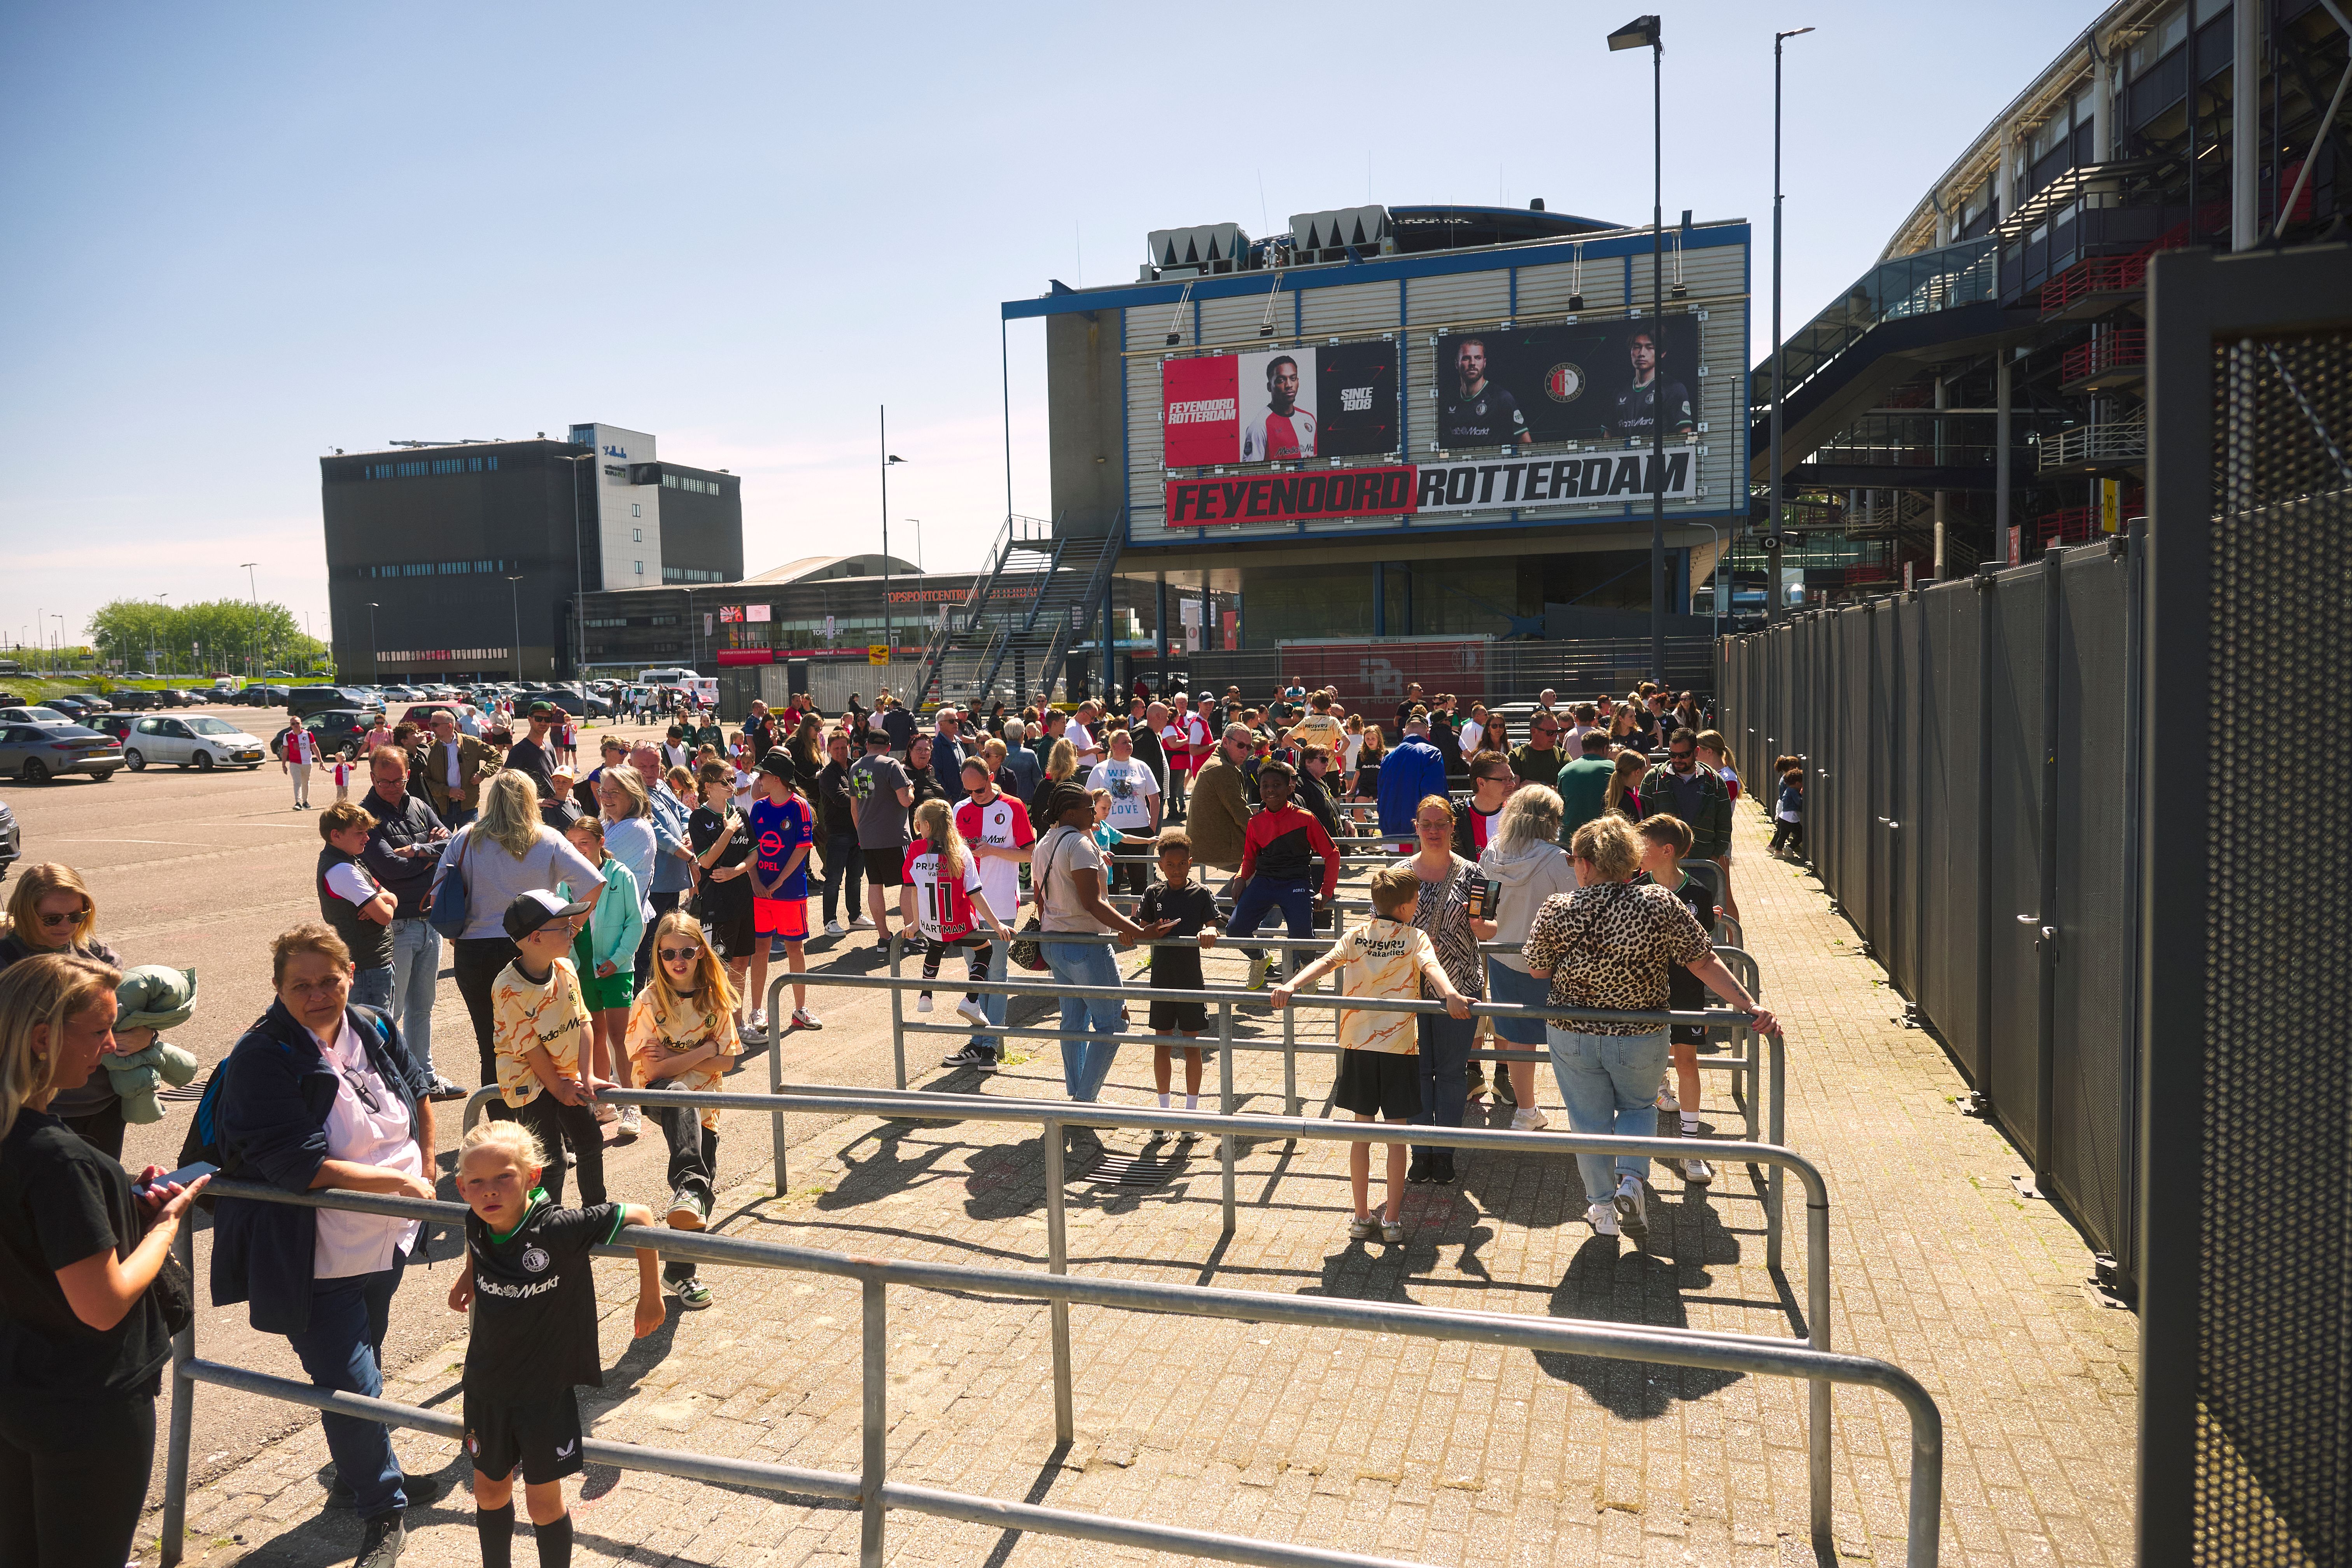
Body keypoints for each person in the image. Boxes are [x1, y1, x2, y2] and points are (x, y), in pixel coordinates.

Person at [212, 924, 445, 1563]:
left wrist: (426, 1163)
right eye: (301, 985)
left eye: (329, 980)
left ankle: (353, 1476)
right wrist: (399, 1181)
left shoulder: (370, 1024)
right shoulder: (262, 1057)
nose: (317, 995)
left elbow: (418, 1092)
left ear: (349, 973)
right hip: (315, 1253)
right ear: (278, 989)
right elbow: (298, 1166)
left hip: (387, 1235)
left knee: (363, 1359)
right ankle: (382, 1507)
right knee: (351, 1382)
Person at [0, 953, 207, 1568]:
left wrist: (117, 1206)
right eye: (99, 1031)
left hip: (17, 1387)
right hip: (86, 1404)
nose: (113, 1046)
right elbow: (104, 1303)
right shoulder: (58, 1159)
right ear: (43, 1039)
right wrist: (165, 1226)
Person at [1521, 817, 1775, 1244]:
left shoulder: (1559, 908)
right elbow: (1703, 960)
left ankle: (1602, 1208)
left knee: (1589, 1123)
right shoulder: (1659, 902)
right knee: (1640, 1108)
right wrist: (1748, 1004)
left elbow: (1537, 968)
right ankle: (1631, 1184)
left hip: (1573, 1034)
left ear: (1584, 864)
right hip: (1640, 1031)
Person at [446, 1120, 662, 1568]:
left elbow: (641, 1215)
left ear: (532, 1177)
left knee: (543, 1502)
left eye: (504, 1177)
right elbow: (476, 1241)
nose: (491, 1192)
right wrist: (470, 1274)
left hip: (544, 1392)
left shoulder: (560, 1228)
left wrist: (650, 1296)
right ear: (462, 1188)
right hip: (486, 1384)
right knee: (489, 1491)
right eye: (478, 1183)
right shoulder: (474, 1219)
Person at [1271, 864, 1472, 1244]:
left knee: (1361, 1133)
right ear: (1408, 905)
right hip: (1399, 1050)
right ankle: (1392, 1220)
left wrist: (1292, 984)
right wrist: (1450, 996)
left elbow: (1325, 962)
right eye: (1415, 901)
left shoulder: (1356, 936)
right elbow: (1434, 970)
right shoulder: (1416, 937)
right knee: (1397, 1137)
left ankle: (1362, 1216)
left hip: (1359, 1047)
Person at [434, 770, 607, 1100]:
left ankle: (507, 1127)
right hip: (535, 948)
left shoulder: (466, 838)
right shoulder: (548, 838)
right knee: (554, 1039)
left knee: (494, 1044)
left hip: (476, 950)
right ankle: (558, 1127)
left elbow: (438, 892)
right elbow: (595, 883)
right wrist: (572, 926)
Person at [1032, 782, 1172, 1116]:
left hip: (1055, 943)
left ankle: (1078, 1098)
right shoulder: (1079, 845)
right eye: (1087, 809)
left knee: (1074, 1023)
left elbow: (1041, 900)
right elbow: (1092, 902)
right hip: (1085, 945)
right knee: (1113, 1023)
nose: (1094, 815)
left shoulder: (1044, 844)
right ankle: (1084, 1104)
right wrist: (1139, 931)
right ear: (1070, 813)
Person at [626, 909, 740, 1307]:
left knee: (701, 1189)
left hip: (705, 1103)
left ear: (701, 953)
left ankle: (678, 1273)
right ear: (657, 955)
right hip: (661, 1094)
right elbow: (654, 1068)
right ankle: (689, 1188)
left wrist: (684, 1053)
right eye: (667, 952)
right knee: (678, 1094)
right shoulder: (649, 1001)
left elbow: (728, 1061)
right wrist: (705, 1049)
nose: (677, 960)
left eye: (687, 952)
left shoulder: (716, 996)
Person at [0, 865, 145, 1157]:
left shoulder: (99, 956)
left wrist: (147, 1036)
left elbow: (120, 1020)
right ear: (25, 913)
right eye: (52, 919)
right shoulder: (8, 965)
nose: (66, 926)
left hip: (104, 1103)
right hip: (34, 1108)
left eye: (76, 916)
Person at [491, 889, 609, 1207]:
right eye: (565, 927)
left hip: (566, 1075)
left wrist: (588, 1075)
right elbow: (529, 1048)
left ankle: (595, 1215)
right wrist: (557, 1087)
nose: (575, 931)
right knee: (551, 1162)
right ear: (535, 938)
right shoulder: (508, 988)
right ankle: (546, 1228)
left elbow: (583, 1021)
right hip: (529, 1081)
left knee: (590, 1142)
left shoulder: (565, 968)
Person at [357, 747, 463, 1098]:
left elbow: (451, 847)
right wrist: (428, 851)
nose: (391, 787)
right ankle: (390, 1082)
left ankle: (425, 1077)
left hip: (429, 922)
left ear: (408, 776)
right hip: (396, 928)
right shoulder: (366, 816)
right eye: (384, 781)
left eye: (398, 780)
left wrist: (416, 850)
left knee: (423, 1006)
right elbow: (388, 868)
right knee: (393, 1010)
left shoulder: (418, 804)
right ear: (372, 777)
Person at [1398, 794, 1491, 1183]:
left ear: (1454, 827)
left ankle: (1445, 1153)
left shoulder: (1476, 874)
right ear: (1416, 827)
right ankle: (1420, 1153)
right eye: (1426, 824)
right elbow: (1380, 927)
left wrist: (1480, 927)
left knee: (1452, 1074)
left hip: (1461, 987)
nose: (1434, 831)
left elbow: (1489, 927)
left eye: (1441, 824)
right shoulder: (1399, 875)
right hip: (1410, 989)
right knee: (1418, 1073)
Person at [1479, 785, 1575, 1132]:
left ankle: (1526, 1111)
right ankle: (1582, 1112)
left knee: (1519, 1037)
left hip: (1502, 956)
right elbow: (1575, 907)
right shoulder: (1557, 860)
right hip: (1549, 963)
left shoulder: (1491, 852)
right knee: (1568, 1037)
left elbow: (1482, 905)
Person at [1635, 813, 1718, 1184]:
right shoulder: (1634, 889)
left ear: (1666, 851)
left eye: (1644, 846)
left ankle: (1690, 1148)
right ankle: (1632, 1157)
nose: (1637, 853)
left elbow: (1704, 951)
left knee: (1687, 1061)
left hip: (1686, 994)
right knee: (1641, 1066)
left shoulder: (1700, 893)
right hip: (1642, 994)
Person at [943, 757, 1034, 1071]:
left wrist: (993, 850)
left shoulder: (1013, 807)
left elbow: (1030, 852)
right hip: (967, 908)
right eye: (969, 791)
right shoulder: (959, 809)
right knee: (976, 974)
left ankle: (991, 1045)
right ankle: (978, 1042)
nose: (975, 796)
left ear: (991, 778)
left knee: (997, 973)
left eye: (980, 790)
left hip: (1000, 905)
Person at [559, 815, 643, 1143]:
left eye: (585, 843)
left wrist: (617, 959)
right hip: (581, 968)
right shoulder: (564, 881)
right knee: (594, 1034)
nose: (578, 851)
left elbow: (635, 924)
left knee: (620, 1038)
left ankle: (632, 1105)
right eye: (572, 845)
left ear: (600, 844)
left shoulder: (620, 876)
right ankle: (605, 1102)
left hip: (616, 968)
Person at [903, 798, 1013, 1040]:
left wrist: (915, 923)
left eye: (919, 824)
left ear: (928, 827)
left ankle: (926, 995)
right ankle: (971, 1000)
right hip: (960, 924)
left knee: (936, 944)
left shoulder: (914, 850)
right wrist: (996, 925)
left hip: (931, 925)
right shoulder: (962, 852)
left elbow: (913, 890)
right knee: (985, 952)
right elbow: (975, 894)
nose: (918, 828)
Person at [1228, 760, 1341, 992]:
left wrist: (1325, 892)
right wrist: (1241, 878)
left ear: (1290, 788)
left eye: (1277, 785)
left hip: (1296, 882)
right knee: (1235, 930)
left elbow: (1332, 854)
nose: (1270, 790)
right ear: (1259, 789)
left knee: (1302, 935)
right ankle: (1260, 958)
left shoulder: (1306, 818)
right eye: (1265, 785)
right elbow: (1249, 859)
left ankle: (1308, 969)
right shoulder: (1255, 821)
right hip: (1264, 881)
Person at [1136, 830, 1219, 1116]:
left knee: (1191, 1044)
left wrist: (1209, 929)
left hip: (1190, 979)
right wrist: (1140, 933)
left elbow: (1213, 923)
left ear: (1190, 863)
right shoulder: (1152, 893)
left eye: (1181, 864)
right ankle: (1164, 1110)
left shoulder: (1201, 893)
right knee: (1162, 1043)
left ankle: (1192, 1110)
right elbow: (1140, 929)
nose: (1176, 869)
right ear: (1160, 865)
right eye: (1170, 864)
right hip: (1161, 978)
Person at [687, 762, 762, 1039]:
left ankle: (738, 1023)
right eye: (725, 782)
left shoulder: (740, 813)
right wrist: (728, 830)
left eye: (733, 780)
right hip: (717, 904)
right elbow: (705, 861)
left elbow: (754, 854)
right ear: (708, 786)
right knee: (717, 965)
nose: (732, 786)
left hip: (743, 898)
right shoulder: (699, 818)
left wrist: (736, 872)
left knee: (742, 963)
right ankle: (714, 1027)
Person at [744, 753, 818, 1032]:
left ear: (777, 779)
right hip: (759, 893)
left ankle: (800, 1010)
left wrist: (776, 883)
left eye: (762, 775)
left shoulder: (799, 807)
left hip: (789, 892)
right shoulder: (759, 807)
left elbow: (802, 849)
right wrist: (755, 881)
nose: (758, 779)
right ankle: (757, 1011)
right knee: (760, 949)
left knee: (794, 948)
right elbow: (750, 849)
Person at [318, 803, 399, 1011]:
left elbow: (391, 897)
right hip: (366, 968)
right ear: (336, 835)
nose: (367, 838)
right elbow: (385, 916)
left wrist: (386, 899)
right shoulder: (343, 870)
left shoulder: (352, 861)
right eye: (360, 833)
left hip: (374, 963)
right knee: (373, 1037)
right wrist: (384, 904)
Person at [849, 728, 916, 945]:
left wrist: (863, 833)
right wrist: (911, 789)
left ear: (867, 745)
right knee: (909, 883)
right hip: (895, 836)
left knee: (875, 884)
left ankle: (884, 937)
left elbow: (854, 808)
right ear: (888, 747)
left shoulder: (855, 768)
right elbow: (905, 800)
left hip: (868, 837)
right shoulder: (891, 764)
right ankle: (911, 936)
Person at [1085, 728, 1161, 896]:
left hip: (1140, 829)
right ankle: (1112, 919)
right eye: (1125, 742)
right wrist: (1092, 824)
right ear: (1113, 745)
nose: (1130, 745)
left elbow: (1155, 799)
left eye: (1131, 742)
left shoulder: (1142, 767)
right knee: (1112, 880)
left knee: (1140, 880)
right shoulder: (1100, 769)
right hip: (1110, 832)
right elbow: (1088, 800)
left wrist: (1152, 828)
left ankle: (1136, 917)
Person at [813, 729, 866, 934]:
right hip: (837, 833)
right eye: (836, 748)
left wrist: (855, 795)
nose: (841, 752)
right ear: (829, 750)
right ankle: (830, 922)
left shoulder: (857, 767)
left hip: (859, 831)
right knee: (834, 879)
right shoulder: (827, 774)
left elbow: (869, 792)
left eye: (844, 747)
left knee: (856, 877)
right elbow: (839, 799)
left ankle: (855, 916)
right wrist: (858, 796)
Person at [1184, 725, 1254, 876]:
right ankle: (1218, 899)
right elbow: (1241, 813)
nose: (1245, 751)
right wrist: (1267, 835)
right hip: (1217, 847)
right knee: (1270, 865)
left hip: (1214, 843)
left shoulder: (1221, 762)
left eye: (1249, 747)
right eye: (1241, 745)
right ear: (1225, 742)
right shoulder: (1222, 768)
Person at [1438, 336, 1531, 446]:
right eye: (1466, 358)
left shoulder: (1501, 398)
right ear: (1457, 364)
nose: (1472, 363)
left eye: (1478, 358)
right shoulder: (1447, 400)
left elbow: (1526, 444)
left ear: (1485, 363)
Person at [1612, 325, 1696, 443]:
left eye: (1649, 347)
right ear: (1631, 351)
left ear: (1662, 353)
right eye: (1637, 347)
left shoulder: (1673, 388)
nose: (1642, 353)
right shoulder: (1620, 392)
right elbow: (1608, 437)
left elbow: (1685, 433)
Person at [1375, 716, 1446, 851]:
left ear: (1404, 732)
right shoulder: (1432, 753)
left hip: (1391, 832)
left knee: (1397, 871)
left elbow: (1381, 796)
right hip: (1421, 834)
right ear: (1428, 734)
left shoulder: (1388, 758)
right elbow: (1434, 799)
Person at [1239, 353, 1316, 460]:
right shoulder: (1260, 426)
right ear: (1270, 387)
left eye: (1293, 379)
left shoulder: (1309, 419)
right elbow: (1251, 473)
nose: (1289, 385)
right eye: (1281, 380)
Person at [1452, 754, 1514, 860]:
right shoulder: (1455, 816)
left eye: (1512, 778)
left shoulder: (1517, 813)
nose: (1512, 784)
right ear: (1481, 783)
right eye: (1504, 780)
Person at [504, 704, 558, 796]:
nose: (543, 722)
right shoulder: (519, 750)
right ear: (530, 720)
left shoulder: (550, 748)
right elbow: (504, 784)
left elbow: (557, 779)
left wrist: (565, 797)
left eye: (547, 719)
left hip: (552, 808)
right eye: (538, 718)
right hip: (532, 809)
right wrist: (535, 803)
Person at [1507, 711, 1563, 789]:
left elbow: (1567, 790)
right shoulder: (1516, 756)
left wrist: (1538, 785)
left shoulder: (1562, 755)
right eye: (1550, 733)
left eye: (1557, 732)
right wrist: (1552, 787)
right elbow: (1513, 790)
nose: (1554, 736)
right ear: (1534, 731)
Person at [999, 718, 1042, 803]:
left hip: (1004, 801)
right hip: (1026, 801)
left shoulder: (999, 754)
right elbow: (1038, 781)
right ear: (1023, 734)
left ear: (1006, 734)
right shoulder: (1030, 755)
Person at [1769, 761, 1806, 859]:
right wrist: (1802, 796)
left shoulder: (1788, 790)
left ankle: (1778, 852)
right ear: (1798, 783)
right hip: (1790, 818)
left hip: (1784, 816)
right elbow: (1799, 802)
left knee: (1783, 835)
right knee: (1801, 833)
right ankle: (1790, 848)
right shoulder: (1793, 791)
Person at [284, 717, 320, 809]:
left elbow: (315, 748)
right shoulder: (288, 736)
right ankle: (298, 802)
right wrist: (284, 765)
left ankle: (305, 802)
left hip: (307, 762)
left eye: (297, 723)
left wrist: (321, 761)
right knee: (297, 783)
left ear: (301, 724)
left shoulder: (308, 735)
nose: (295, 726)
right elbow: (285, 751)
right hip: (294, 763)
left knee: (306, 782)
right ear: (291, 726)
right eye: (293, 724)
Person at [1605, 749, 1649, 822]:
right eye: (1644, 771)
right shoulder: (1636, 802)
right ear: (1637, 772)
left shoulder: (1608, 797)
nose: (1644, 775)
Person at [1352, 724, 1386, 803]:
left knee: (1381, 810)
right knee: (1357, 812)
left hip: (1379, 786)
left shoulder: (1384, 754)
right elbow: (1358, 773)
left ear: (1379, 739)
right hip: (1364, 786)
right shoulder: (1361, 754)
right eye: (1368, 739)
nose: (1370, 741)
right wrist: (1352, 789)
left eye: (1373, 739)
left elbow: (1389, 773)